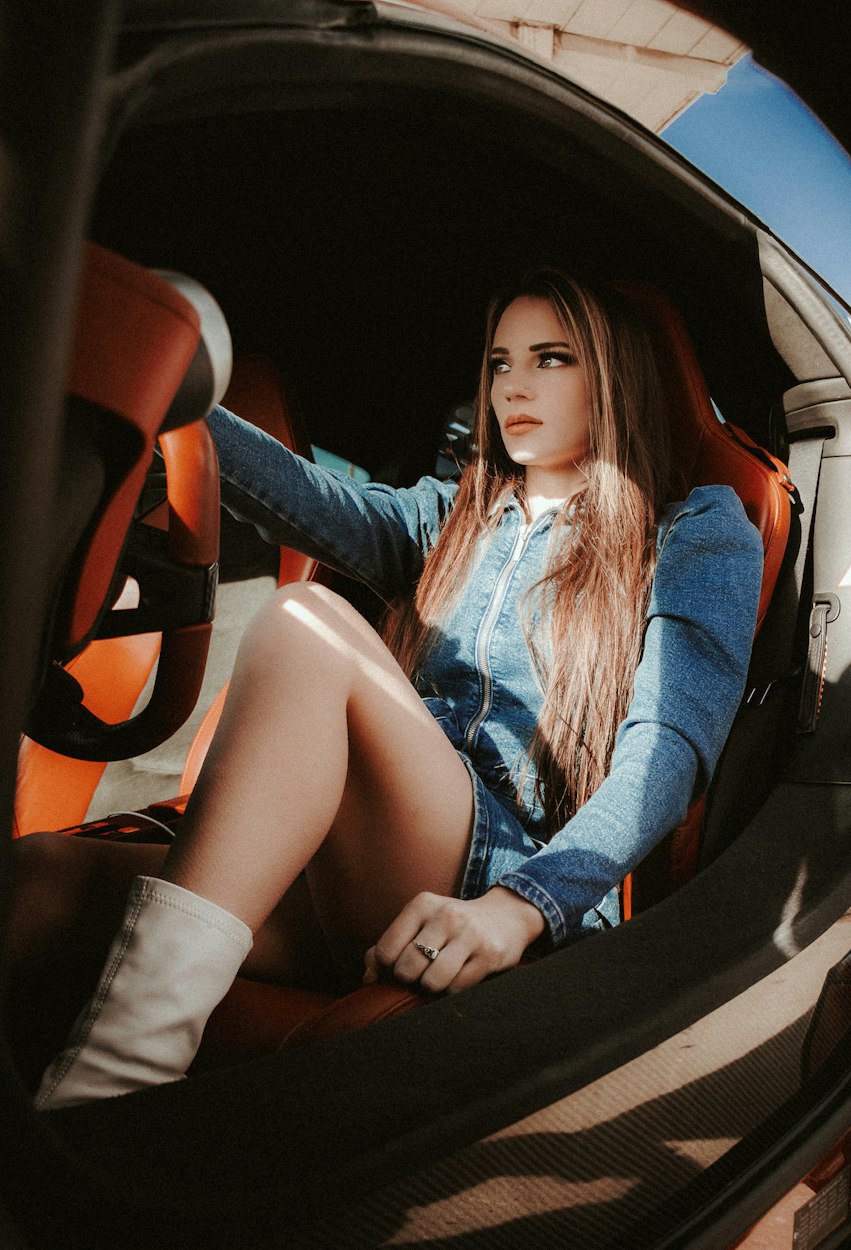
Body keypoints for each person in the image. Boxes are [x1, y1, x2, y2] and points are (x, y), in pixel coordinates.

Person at [26, 267, 763, 1111]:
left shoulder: (695, 531)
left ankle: (114, 1081)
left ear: (615, 377)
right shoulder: (448, 518)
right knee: (37, 874)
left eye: (552, 359)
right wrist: (157, 384)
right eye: (498, 363)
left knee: (307, 626)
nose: (514, 386)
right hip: (357, 878)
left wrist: (521, 907)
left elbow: (666, 749)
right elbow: (297, 497)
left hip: (503, 873)